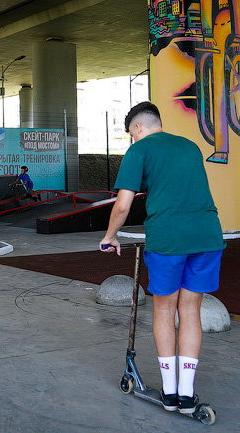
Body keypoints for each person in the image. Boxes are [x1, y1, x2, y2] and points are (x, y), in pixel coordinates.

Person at [98, 102, 225, 415]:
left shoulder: (139, 151)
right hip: (207, 234)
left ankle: (169, 393)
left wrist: (109, 236)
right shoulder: (190, 147)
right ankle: (186, 394)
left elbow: (123, 205)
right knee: (190, 308)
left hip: (168, 238)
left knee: (165, 308)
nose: (132, 139)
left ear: (138, 128)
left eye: (131, 134)